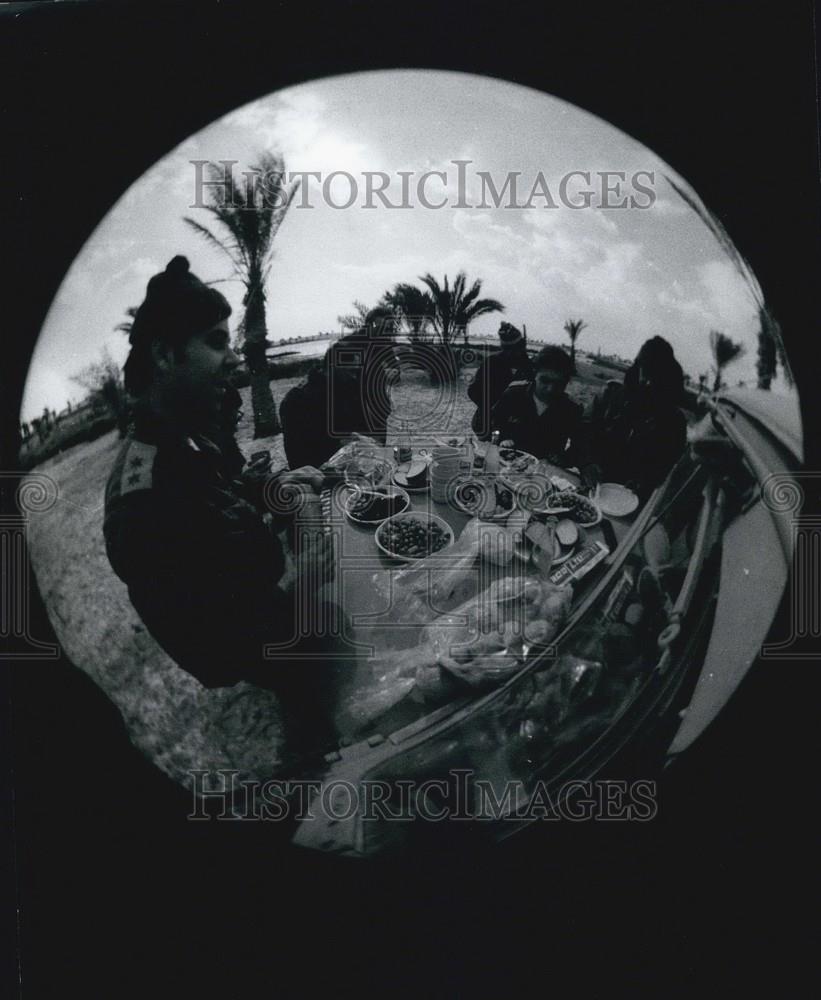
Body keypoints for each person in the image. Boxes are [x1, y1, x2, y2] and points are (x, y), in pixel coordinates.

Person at [104, 256, 344, 755]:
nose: (234, 358)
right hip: (274, 638)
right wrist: (299, 591)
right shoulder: (144, 497)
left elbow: (222, 501)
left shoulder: (184, 441)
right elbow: (208, 649)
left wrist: (273, 487)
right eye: (216, 342)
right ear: (165, 355)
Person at [580, 336, 687, 498]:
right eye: (646, 372)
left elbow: (667, 467)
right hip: (592, 484)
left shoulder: (674, 421)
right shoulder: (610, 395)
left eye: (657, 376)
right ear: (638, 368)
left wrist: (645, 483)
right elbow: (583, 430)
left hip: (631, 500)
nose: (648, 382)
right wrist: (587, 462)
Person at [489, 345, 584, 464]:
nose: (550, 389)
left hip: (545, 470)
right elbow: (493, 422)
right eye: (545, 381)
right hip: (507, 462)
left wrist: (564, 458)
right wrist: (502, 438)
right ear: (535, 374)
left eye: (559, 383)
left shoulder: (572, 409)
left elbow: (580, 446)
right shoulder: (514, 394)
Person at [468, 322, 534, 435]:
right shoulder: (492, 362)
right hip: (488, 422)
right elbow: (473, 391)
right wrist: (491, 408)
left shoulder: (529, 366)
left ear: (522, 345)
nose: (511, 353)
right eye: (507, 349)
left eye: (515, 348)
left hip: (517, 425)